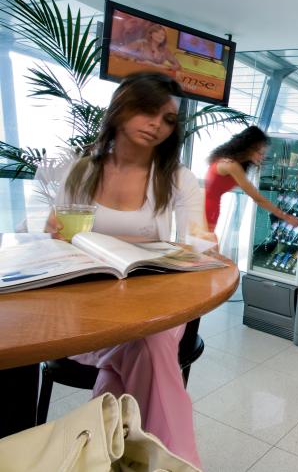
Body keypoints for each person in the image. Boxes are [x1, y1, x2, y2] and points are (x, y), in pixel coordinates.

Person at [46, 73, 205, 467]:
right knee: (143, 347)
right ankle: (170, 462)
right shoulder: (80, 172)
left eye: (168, 119)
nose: (157, 124)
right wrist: (52, 235)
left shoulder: (177, 179)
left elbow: (198, 242)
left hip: (154, 307)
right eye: (148, 110)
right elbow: (53, 241)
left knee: (148, 339)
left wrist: (199, 246)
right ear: (120, 108)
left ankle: (114, 457)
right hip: (88, 311)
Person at [205, 126, 298, 232]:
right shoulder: (232, 165)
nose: (262, 157)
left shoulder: (228, 160)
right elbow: (258, 198)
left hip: (209, 207)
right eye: (260, 153)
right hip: (208, 210)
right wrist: (287, 217)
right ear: (249, 148)